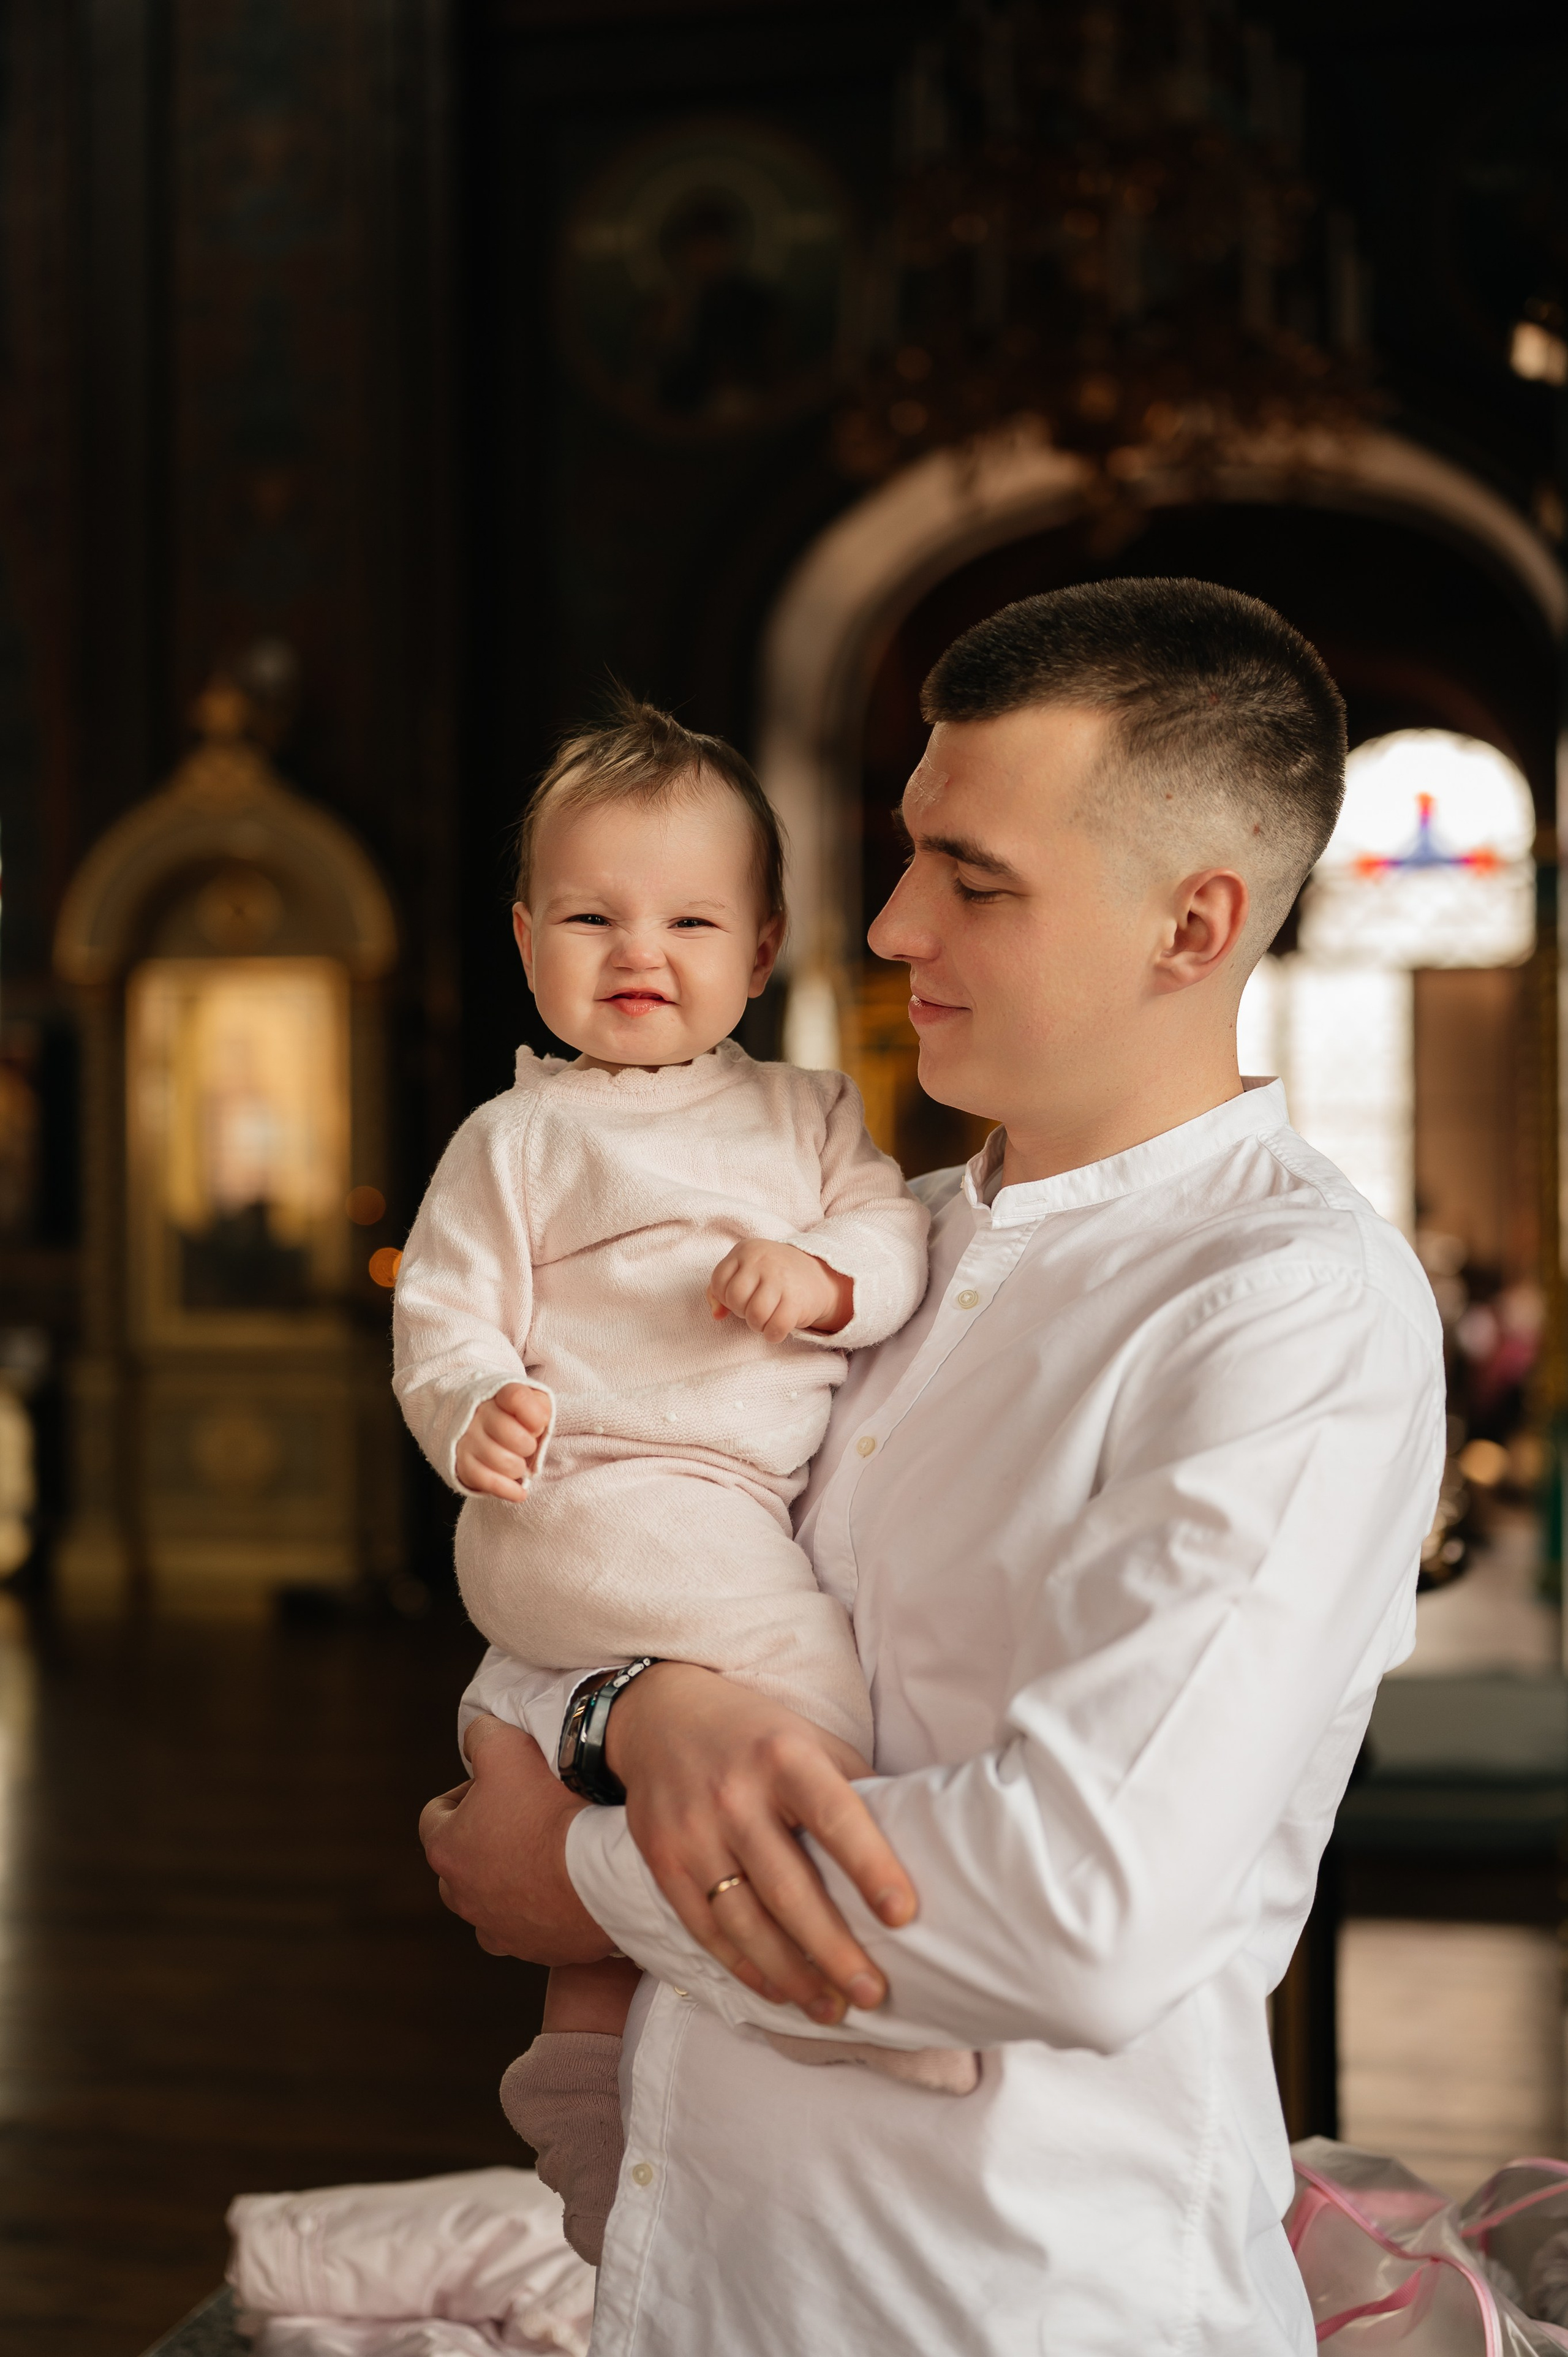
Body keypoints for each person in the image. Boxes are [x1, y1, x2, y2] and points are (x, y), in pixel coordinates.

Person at [422, 578, 1447, 2355]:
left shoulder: (1288, 1311)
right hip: (693, 2279)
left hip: (1008, 2298)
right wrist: (628, 1714)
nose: (894, 923)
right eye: (908, 854)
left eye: (974, 879)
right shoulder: (857, 1249)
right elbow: (621, 1559)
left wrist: (575, 1877)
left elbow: (1074, 1906)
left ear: (1192, 923)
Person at [392, 696, 937, 2263]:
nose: (640, 949)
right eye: (591, 917)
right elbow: (441, 1317)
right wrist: (476, 1405)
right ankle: (861, 1991)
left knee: (602, 1792)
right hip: (596, 1494)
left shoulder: (806, 1112)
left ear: (760, 950)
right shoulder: (516, 1137)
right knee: (819, 1700)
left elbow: (891, 1235)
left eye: (689, 920)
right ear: (525, 941)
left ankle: (580, 2092)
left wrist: (820, 1277)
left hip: (689, 1528)